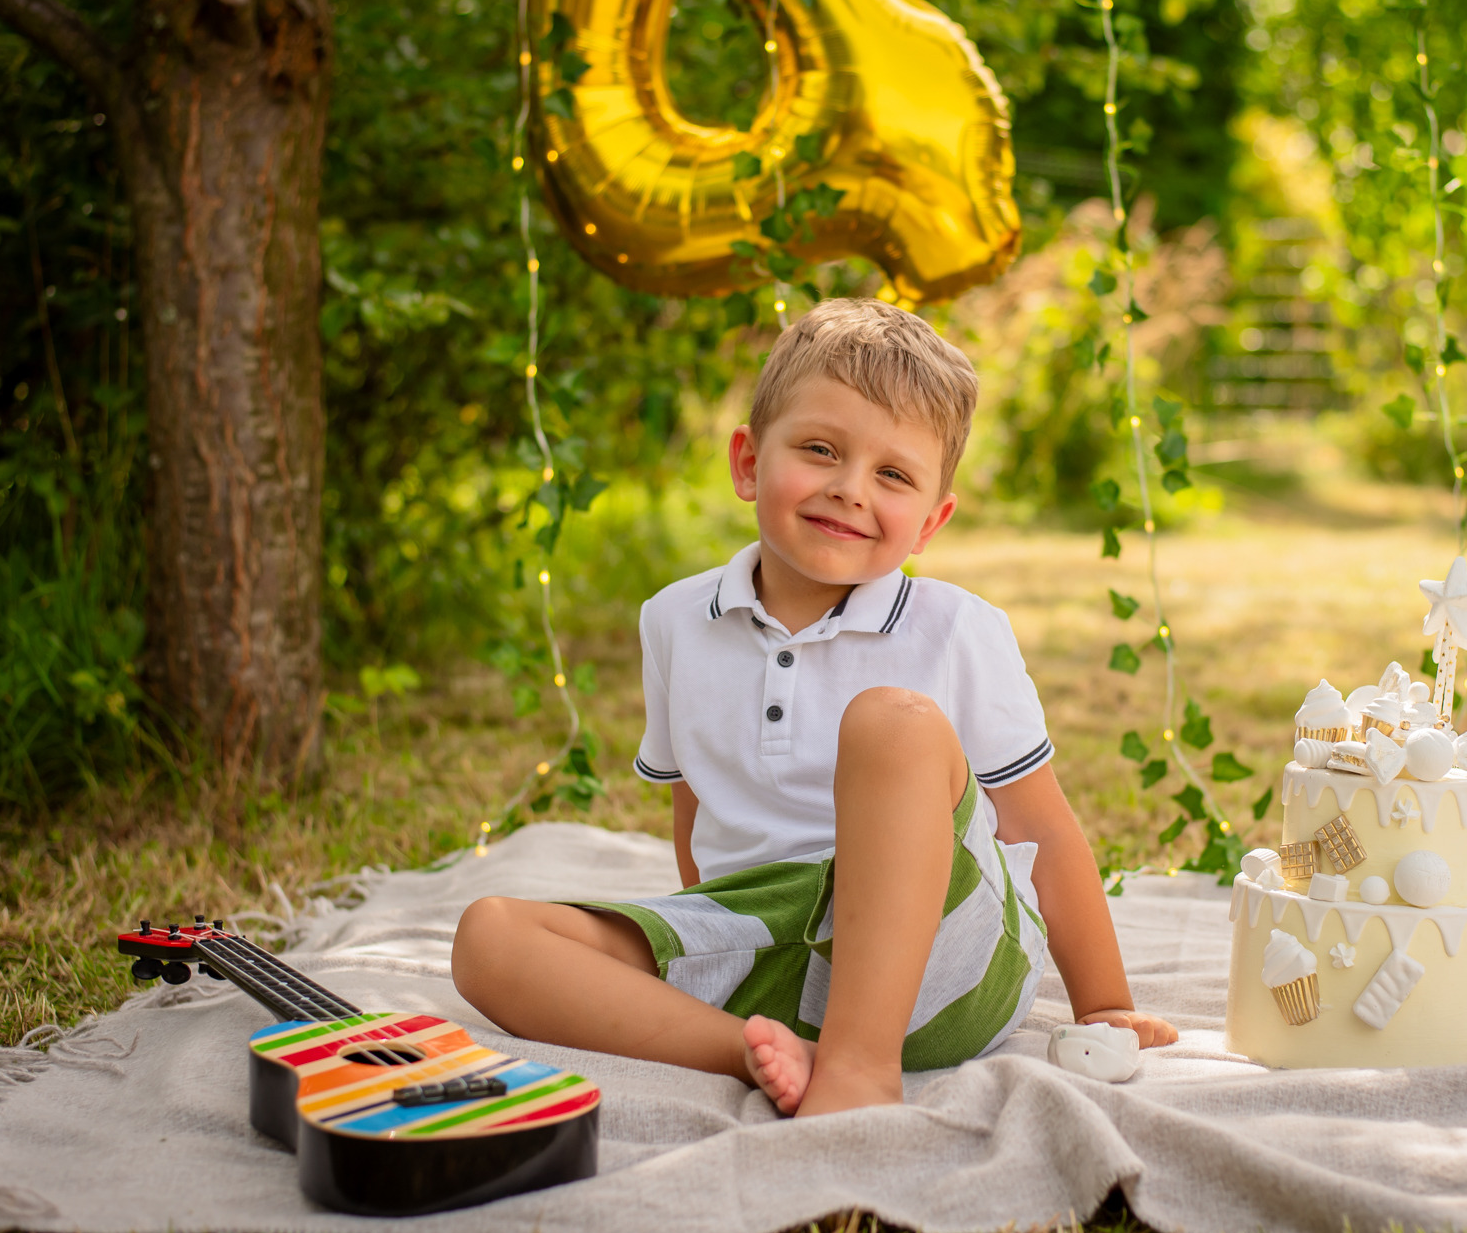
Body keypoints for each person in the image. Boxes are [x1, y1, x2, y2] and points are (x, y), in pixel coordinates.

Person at [451, 297, 1177, 1117]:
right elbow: (697, 809)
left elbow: (1043, 828)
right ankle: (753, 1048)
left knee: (891, 723)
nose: (848, 489)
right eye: (821, 450)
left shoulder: (957, 629)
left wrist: (1104, 1004)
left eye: (892, 474)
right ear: (748, 463)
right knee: (490, 936)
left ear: (931, 520)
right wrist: (702, 938)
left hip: (945, 961)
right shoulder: (675, 620)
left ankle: (861, 1068)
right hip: (772, 952)